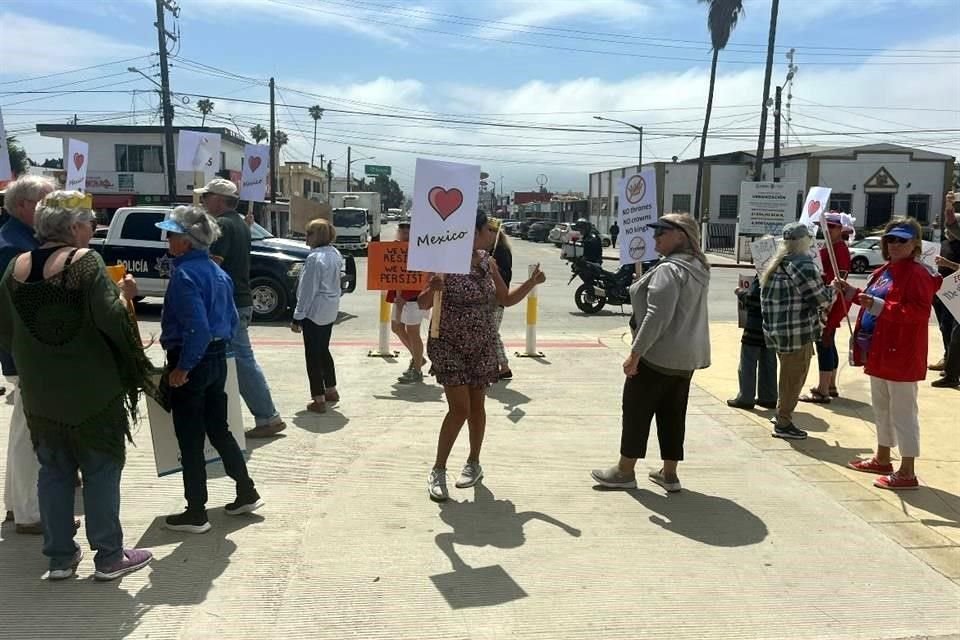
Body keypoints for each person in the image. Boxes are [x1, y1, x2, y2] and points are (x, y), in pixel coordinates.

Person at [0, 190, 156, 580]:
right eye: (89, 222)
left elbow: (5, 330)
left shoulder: (16, 266)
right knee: (101, 468)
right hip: (91, 390)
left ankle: (59, 557)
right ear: (72, 227)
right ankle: (108, 556)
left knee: (53, 472)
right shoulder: (86, 262)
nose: (94, 228)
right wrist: (125, 295)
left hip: (40, 393)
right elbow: (112, 321)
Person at [419, 211, 545, 502]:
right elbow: (423, 301)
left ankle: (473, 463)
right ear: (472, 232)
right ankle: (438, 469)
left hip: (482, 344)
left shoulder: (488, 263)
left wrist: (532, 282)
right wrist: (432, 288)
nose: (492, 234)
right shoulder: (444, 263)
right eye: (487, 229)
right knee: (459, 409)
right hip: (448, 344)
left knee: (477, 407)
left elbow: (505, 299)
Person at [158, 206, 262, 533]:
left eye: (172, 235)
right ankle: (246, 490)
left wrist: (183, 367)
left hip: (193, 359)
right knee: (220, 429)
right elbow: (230, 320)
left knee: (189, 438)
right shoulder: (219, 273)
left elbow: (197, 328)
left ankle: (196, 511)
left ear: (187, 242)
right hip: (218, 357)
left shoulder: (185, 275)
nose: (168, 240)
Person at [591, 213, 711, 493]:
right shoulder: (697, 266)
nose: (655, 237)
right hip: (685, 358)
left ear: (681, 235)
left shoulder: (670, 269)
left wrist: (635, 353)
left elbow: (657, 315)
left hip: (658, 355)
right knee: (673, 413)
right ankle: (669, 474)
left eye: (662, 232)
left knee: (636, 411)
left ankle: (624, 471)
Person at [841, 218, 941, 490]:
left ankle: (907, 470)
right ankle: (882, 457)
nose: (895, 244)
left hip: (902, 354)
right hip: (880, 351)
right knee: (882, 408)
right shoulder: (886, 270)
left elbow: (918, 313)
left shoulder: (918, 274)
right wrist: (853, 293)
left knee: (903, 412)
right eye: (891, 239)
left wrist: (880, 306)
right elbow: (873, 302)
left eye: (902, 240)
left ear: (915, 244)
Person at [198, 179, 286, 439]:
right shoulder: (240, 223)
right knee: (234, 361)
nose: (203, 202)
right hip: (238, 300)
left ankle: (268, 416)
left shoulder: (223, 225)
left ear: (219, 200)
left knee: (241, 361)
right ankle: (262, 415)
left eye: (206, 197)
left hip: (230, 302)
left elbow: (213, 265)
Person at [0, 174, 55, 533]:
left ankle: (17, 505)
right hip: (26, 352)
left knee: (27, 430)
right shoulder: (13, 247)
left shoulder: (22, 239)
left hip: (25, 351)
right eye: (46, 202)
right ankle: (28, 512)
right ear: (24, 206)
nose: (52, 210)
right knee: (31, 435)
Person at [760, 222, 835, 441]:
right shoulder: (803, 263)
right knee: (794, 378)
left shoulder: (776, 263)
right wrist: (833, 290)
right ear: (805, 241)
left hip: (777, 331)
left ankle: (781, 414)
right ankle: (784, 422)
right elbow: (820, 299)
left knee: (786, 376)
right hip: (796, 332)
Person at [291, 218, 343, 411]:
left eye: (309, 233)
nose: (306, 237)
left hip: (314, 311)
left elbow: (307, 290)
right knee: (323, 349)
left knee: (312, 354)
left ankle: (318, 398)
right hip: (330, 308)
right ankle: (331, 388)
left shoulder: (314, 258)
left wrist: (298, 315)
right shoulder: (335, 254)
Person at [801, 212, 852, 403]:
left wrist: (827, 302)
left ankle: (823, 390)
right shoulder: (831, 247)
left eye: (831, 227)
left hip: (831, 301)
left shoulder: (838, 249)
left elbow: (837, 278)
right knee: (828, 342)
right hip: (829, 299)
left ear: (840, 229)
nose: (827, 230)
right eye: (825, 226)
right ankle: (830, 384)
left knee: (824, 343)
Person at [727, 275, 777, 410]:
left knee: (748, 363)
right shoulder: (782, 270)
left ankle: (746, 397)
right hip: (772, 325)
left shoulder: (762, 273)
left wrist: (740, 293)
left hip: (755, 326)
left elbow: (753, 300)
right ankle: (769, 397)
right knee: (769, 361)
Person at [391, 221, 429, 384]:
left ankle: (417, 369)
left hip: (414, 297)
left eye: (408, 231)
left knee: (413, 331)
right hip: (398, 294)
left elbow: (423, 274)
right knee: (397, 327)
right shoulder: (394, 247)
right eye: (402, 230)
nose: (405, 233)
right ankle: (418, 358)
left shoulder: (421, 249)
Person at [930, 192, 960, 379]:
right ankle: (947, 357)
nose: (949, 229)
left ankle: (952, 366)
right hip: (940, 289)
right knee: (943, 326)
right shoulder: (944, 243)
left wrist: (949, 265)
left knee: (952, 328)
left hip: (955, 291)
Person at [489, 219, 514, 380]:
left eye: (491, 231)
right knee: (490, 331)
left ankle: (504, 365)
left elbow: (505, 276)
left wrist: (494, 269)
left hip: (497, 297)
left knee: (491, 332)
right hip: (491, 297)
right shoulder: (490, 249)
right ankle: (497, 365)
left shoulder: (501, 251)